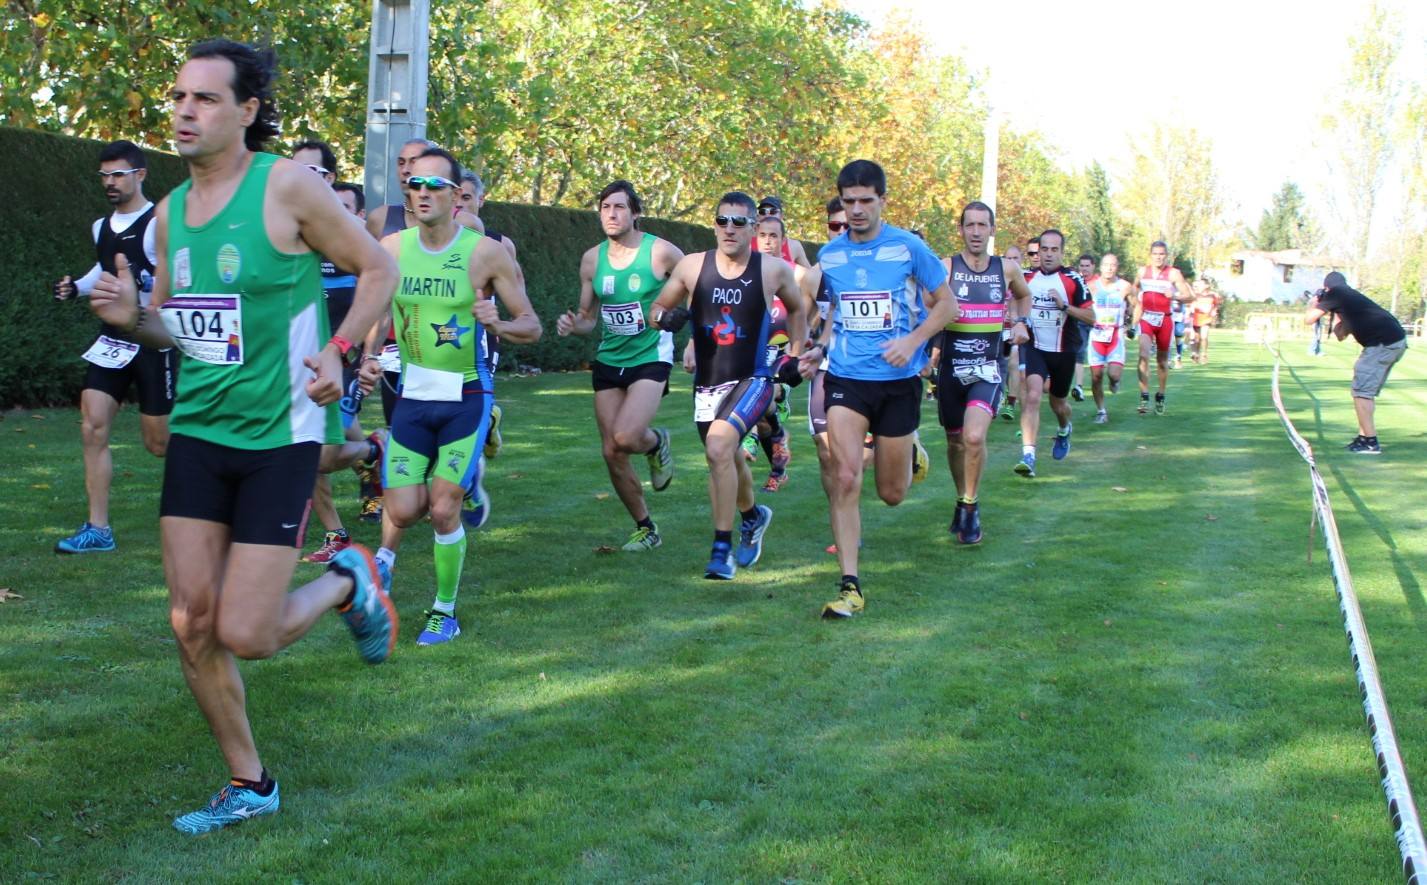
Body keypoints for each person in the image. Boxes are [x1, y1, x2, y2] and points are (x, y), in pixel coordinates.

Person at [86, 39, 399, 833]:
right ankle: (250, 781)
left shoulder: (285, 186)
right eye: (180, 98)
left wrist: (337, 348)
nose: (186, 112)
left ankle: (346, 579)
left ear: (248, 111)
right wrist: (136, 321)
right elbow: (174, 326)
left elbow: (375, 270)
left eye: (207, 99)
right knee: (190, 619)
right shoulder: (166, 214)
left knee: (247, 633)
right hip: (199, 430)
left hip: (278, 436)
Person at [361, 147, 541, 644]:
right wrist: (369, 356)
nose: (421, 193)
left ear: (458, 197)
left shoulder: (484, 252)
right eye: (414, 184)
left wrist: (499, 321)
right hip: (415, 395)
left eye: (433, 185)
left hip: (467, 393)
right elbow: (375, 308)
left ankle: (444, 611)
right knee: (400, 510)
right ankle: (395, 548)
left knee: (443, 507)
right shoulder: (392, 248)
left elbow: (531, 325)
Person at [797, 160, 955, 617]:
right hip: (847, 378)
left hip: (899, 382)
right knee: (844, 476)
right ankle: (850, 586)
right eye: (850, 203)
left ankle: (908, 452)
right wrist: (817, 349)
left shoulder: (909, 248)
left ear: (883, 200)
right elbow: (835, 315)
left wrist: (913, 341)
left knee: (891, 494)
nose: (858, 210)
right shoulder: (830, 256)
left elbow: (948, 304)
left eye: (867, 201)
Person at [650, 191, 805, 579]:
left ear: (753, 228)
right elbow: (657, 308)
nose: (729, 229)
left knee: (720, 446)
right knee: (726, 457)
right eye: (723, 221)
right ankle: (752, 517)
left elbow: (799, 308)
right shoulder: (691, 267)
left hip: (755, 377)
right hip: (708, 384)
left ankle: (721, 551)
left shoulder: (772, 270)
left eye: (739, 222)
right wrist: (664, 321)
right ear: (714, 224)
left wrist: (795, 355)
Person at [52, 139, 174, 554]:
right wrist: (77, 287)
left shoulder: (159, 222)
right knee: (93, 424)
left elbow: (176, 277)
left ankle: (224, 480)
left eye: (118, 173)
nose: (110, 182)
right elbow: (103, 271)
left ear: (140, 174)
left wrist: (144, 291)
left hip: (154, 336)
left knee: (159, 444)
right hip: (114, 339)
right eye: (104, 175)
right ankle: (98, 528)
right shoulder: (100, 227)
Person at [557, 179, 683, 551]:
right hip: (610, 359)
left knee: (627, 437)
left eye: (619, 207)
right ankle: (646, 527)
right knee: (611, 450)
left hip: (650, 356)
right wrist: (572, 325)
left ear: (635, 213)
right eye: (605, 208)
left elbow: (694, 282)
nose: (611, 214)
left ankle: (657, 441)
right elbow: (588, 318)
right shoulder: (592, 259)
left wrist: (680, 317)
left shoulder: (660, 252)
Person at [290, 140, 385, 564]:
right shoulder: (289, 231)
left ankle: (373, 451)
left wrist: (367, 356)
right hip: (296, 361)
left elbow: (382, 296)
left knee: (321, 455)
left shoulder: (350, 242)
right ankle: (337, 536)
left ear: (329, 178)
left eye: (312, 171)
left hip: (341, 363)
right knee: (302, 450)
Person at [939, 201, 1030, 544]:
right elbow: (926, 304)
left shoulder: (1006, 269)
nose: (976, 232)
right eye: (970, 225)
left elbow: (1024, 297)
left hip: (988, 369)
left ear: (992, 230)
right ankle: (961, 498)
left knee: (974, 438)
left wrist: (1020, 322)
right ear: (960, 230)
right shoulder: (945, 267)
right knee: (954, 441)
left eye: (982, 225)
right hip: (950, 370)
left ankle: (971, 506)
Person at [1014, 230, 1094, 477]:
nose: (1048, 254)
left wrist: (1064, 306)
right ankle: (1028, 455)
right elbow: (1011, 300)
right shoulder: (1026, 277)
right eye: (1044, 249)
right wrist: (1017, 320)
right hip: (1035, 347)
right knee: (1033, 395)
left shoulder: (1072, 280)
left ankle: (1064, 429)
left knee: (1058, 403)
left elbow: (1091, 317)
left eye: (1053, 250)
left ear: (1061, 252)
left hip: (1064, 351)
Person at [1303, 272, 1407, 454]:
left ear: (1327, 287)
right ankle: (1364, 437)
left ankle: (1370, 442)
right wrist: (1335, 313)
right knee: (1365, 392)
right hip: (1393, 341)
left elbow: (1308, 319)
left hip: (1382, 343)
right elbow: (1340, 334)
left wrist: (1316, 303)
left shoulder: (1335, 293)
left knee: (1362, 392)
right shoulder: (1347, 297)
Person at [1132, 241, 1194, 414]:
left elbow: (1189, 296)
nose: (1158, 257)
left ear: (1166, 256)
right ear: (1150, 255)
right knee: (1143, 354)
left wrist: (1174, 296)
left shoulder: (1173, 273)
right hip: (1147, 318)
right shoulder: (1142, 271)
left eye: (1162, 254)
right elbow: (1134, 287)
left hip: (1165, 320)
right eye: (1155, 254)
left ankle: (1161, 394)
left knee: (1161, 362)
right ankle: (1144, 394)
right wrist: (1135, 302)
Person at [1086, 253, 1135, 423]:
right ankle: (1101, 411)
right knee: (1096, 376)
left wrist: (1132, 323)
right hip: (1096, 335)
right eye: (1106, 265)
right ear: (1100, 267)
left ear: (1117, 267)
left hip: (1115, 336)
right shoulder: (1091, 286)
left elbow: (1137, 304)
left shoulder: (1124, 286)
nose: (1109, 268)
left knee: (1113, 375)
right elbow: (1082, 305)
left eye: (1112, 265)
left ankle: (1114, 382)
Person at [754, 195, 812, 267]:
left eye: (773, 211)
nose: (767, 215)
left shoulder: (794, 246)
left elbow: (810, 274)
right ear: (757, 216)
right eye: (762, 212)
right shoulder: (746, 243)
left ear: (781, 216)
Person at [1070, 252, 1097, 400]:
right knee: (1079, 353)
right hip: (1081, 322)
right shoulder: (1076, 281)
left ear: (1093, 266)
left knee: (1094, 357)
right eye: (1082, 266)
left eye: (1087, 266)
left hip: (1099, 324)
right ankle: (1078, 387)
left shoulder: (1099, 283)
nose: (1084, 269)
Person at [1190, 279, 1221, 364]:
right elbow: (1191, 304)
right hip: (1196, 318)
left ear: (1206, 286)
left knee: (1204, 336)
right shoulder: (1195, 295)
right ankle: (1196, 354)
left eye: (1201, 284)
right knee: (1197, 338)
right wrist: (1193, 308)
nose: (1199, 286)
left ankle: (1204, 354)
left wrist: (1214, 311)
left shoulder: (1213, 295)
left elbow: (1216, 304)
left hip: (1206, 318)